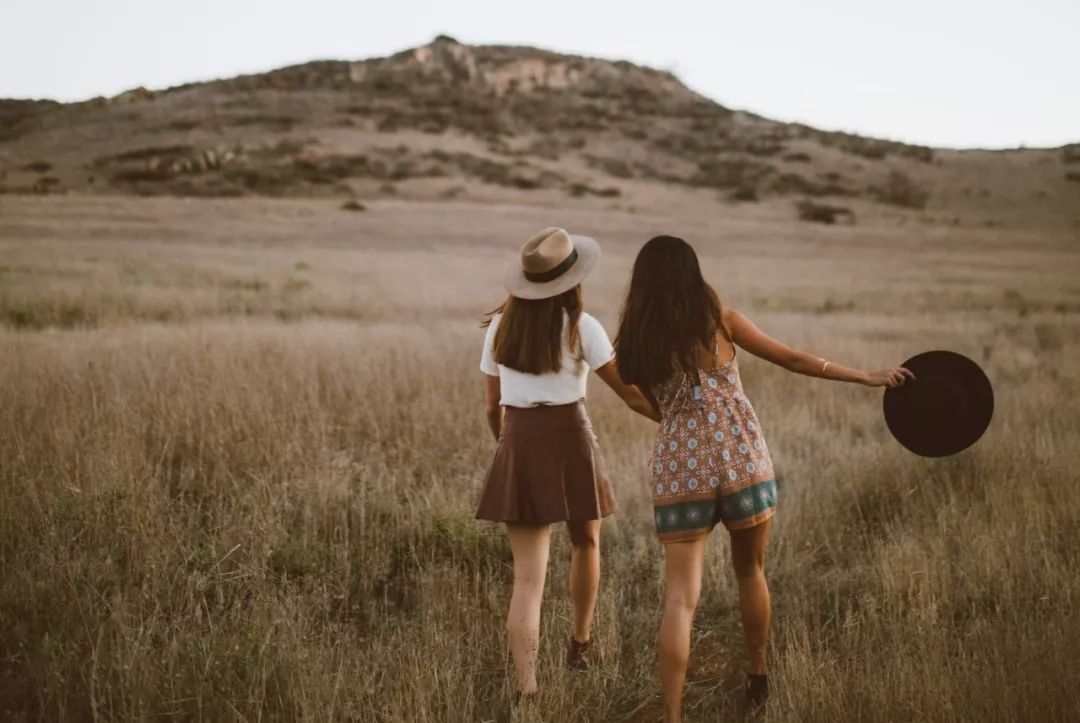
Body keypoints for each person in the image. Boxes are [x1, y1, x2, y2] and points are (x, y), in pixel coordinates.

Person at [614, 235, 914, 721]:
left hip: (680, 465)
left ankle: (671, 714)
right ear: (692, 272)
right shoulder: (720, 320)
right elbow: (793, 359)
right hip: (741, 457)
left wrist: (680, 422)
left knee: (679, 597)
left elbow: (646, 401)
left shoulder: (633, 338)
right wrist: (866, 376)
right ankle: (758, 677)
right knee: (749, 570)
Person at [476, 227, 660, 699]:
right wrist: (675, 417)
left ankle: (528, 689)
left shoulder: (501, 326)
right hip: (572, 438)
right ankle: (580, 640)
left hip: (518, 438)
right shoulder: (584, 327)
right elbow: (632, 397)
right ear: (571, 279)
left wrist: (509, 449)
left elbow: (490, 406)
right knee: (586, 542)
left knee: (527, 578)